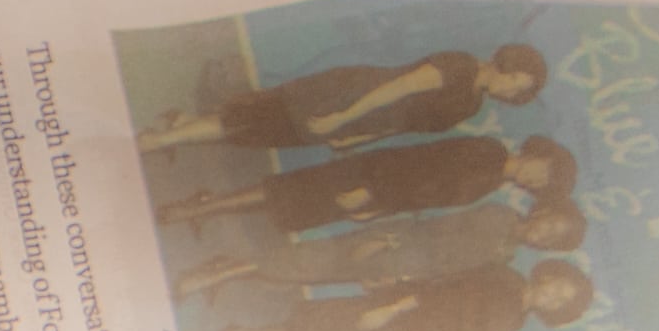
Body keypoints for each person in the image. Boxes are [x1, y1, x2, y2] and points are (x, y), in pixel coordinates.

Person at [202, 252, 596, 331]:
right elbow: (442, 287)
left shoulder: (514, 323)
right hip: (399, 310)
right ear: (549, 274)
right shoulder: (503, 274)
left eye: (559, 302)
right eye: (557, 286)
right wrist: (390, 307)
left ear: (554, 311)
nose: (552, 296)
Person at [141, 40, 548, 155]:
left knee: (256, 131)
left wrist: (356, 137)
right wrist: (342, 117)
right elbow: (397, 88)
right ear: (507, 63)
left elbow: (405, 123)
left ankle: (180, 128)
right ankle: (162, 139)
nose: (513, 90)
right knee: (252, 118)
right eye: (517, 80)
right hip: (351, 95)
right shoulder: (459, 66)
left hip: (363, 120)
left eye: (519, 91)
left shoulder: (473, 105)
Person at [174, 190, 587, 298]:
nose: (543, 234)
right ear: (541, 212)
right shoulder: (498, 216)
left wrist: (398, 279)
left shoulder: (506, 256)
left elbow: (442, 271)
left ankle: (227, 270)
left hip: (397, 266)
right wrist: (383, 243)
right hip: (390, 243)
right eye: (549, 224)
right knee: (308, 261)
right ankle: (212, 274)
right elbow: (435, 229)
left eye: (551, 240)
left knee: (314, 273)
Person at [174, 130, 578, 238]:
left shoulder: (491, 184)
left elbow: (425, 198)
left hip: (380, 195)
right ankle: (198, 208)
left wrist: (377, 208)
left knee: (291, 207)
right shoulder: (488, 152)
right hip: (373, 176)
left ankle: (210, 205)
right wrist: (373, 189)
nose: (534, 178)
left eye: (541, 184)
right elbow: (421, 163)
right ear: (537, 153)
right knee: (286, 192)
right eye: (541, 169)